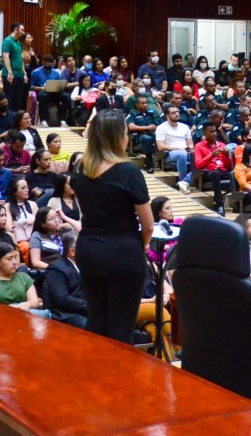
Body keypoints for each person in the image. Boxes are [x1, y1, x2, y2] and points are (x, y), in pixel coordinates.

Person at [71, 110, 153, 341]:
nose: (128, 138)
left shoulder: (79, 167)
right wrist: (143, 246)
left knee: (96, 322)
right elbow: (147, 225)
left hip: (88, 249)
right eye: (126, 133)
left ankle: (94, 375)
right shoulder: (128, 171)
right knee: (121, 328)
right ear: (117, 136)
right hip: (123, 252)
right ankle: (118, 377)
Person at [0, 242, 47, 314]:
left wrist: (28, 304)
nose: (14, 262)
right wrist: (10, 308)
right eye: (9, 259)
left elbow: (35, 301)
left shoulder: (24, 277)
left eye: (15, 257)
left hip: (24, 317)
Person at [43, 230, 87, 327]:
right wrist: (88, 306)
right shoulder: (56, 269)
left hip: (84, 308)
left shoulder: (85, 265)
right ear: (72, 251)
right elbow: (62, 299)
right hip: (65, 313)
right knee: (88, 324)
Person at [193, 123, 234, 216]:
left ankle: (238, 202)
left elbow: (228, 166)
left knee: (235, 172)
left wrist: (227, 155)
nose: (214, 133)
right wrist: (211, 155)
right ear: (205, 133)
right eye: (211, 132)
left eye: (215, 131)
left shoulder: (222, 145)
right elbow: (198, 165)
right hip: (208, 173)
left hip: (222, 171)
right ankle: (219, 204)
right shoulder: (199, 146)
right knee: (215, 173)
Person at [155, 105, 194, 194]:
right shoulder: (161, 127)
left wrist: (187, 150)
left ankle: (185, 181)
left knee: (201, 155)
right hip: (169, 153)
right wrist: (179, 148)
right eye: (173, 113)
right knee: (181, 154)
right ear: (167, 116)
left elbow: (191, 145)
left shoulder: (185, 127)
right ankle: (183, 181)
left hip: (185, 151)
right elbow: (161, 146)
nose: (176, 114)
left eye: (177, 112)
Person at [1, 23, 28, 112]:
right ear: (16, 29)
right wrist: (9, 72)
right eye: (22, 30)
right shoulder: (7, 41)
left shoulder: (18, 43)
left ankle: (16, 121)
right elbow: (6, 57)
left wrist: (24, 73)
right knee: (9, 99)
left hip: (19, 75)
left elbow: (20, 59)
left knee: (18, 100)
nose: (23, 32)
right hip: (10, 75)